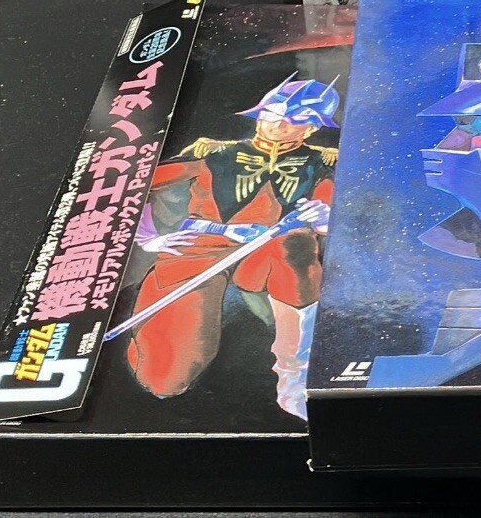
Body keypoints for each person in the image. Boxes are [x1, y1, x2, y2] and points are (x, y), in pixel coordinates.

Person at [127, 76, 338, 418]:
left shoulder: (322, 165)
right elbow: (134, 185)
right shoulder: (214, 153)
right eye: (272, 114)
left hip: (272, 250)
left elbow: (327, 219)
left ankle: (296, 380)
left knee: (294, 248)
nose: (278, 124)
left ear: (312, 128)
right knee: (165, 378)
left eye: (294, 119)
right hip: (201, 248)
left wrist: (324, 217)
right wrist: (151, 237)